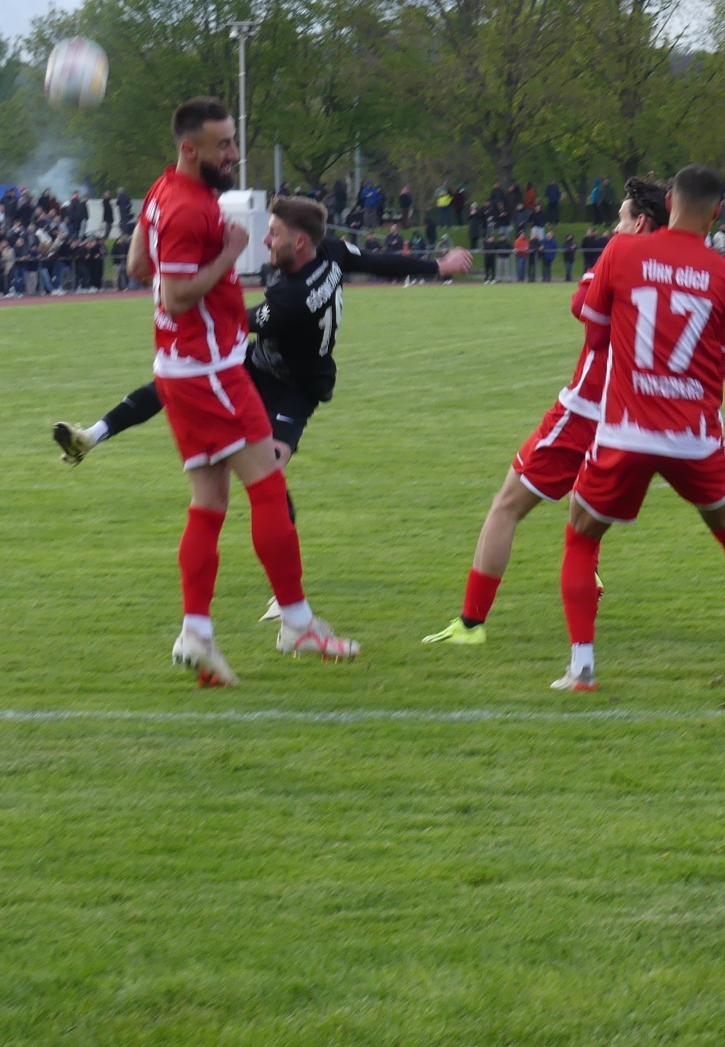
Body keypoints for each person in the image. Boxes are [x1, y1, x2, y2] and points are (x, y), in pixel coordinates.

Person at [92, 98, 354, 684]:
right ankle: (298, 623)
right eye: (224, 145)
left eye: (233, 141)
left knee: (209, 503)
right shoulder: (187, 206)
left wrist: (201, 264)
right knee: (268, 487)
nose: (234, 154)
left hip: (179, 368)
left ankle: (197, 633)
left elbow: (137, 265)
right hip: (210, 369)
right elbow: (174, 295)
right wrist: (230, 254)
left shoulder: (163, 190)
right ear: (191, 149)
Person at [53, 195, 471, 508]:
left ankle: (286, 586)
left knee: (268, 474)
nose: (266, 240)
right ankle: (90, 436)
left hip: (297, 386)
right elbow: (379, 262)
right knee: (176, 381)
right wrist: (438, 266)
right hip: (258, 363)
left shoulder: (292, 298)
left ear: (300, 241)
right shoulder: (334, 251)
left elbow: (238, 319)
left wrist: (184, 292)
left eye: (274, 234)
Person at [552, 166, 725, 692]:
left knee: (581, 535)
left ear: (670, 201)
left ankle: (582, 667)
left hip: (626, 427)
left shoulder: (622, 252)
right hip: (693, 431)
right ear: (717, 211)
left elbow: (596, 332)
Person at [423, 178, 668, 650]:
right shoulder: (676, 268)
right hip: (635, 418)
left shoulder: (619, 257)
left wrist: (605, 267)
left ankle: (470, 624)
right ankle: (586, 602)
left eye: (620, 219)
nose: (613, 228)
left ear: (640, 223)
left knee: (506, 505)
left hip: (585, 410)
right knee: (585, 514)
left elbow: (582, 307)